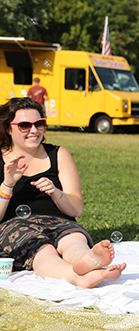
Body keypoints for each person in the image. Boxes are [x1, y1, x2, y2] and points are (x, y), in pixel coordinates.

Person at [0, 98, 125, 288]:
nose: (34, 130)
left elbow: (75, 209)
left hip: (59, 221)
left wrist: (55, 192)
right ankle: (79, 277)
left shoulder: (59, 154)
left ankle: (89, 260)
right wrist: (8, 184)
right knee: (42, 250)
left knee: (73, 240)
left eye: (39, 123)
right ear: (8, 129)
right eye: (24, 125)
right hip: (15, 226)